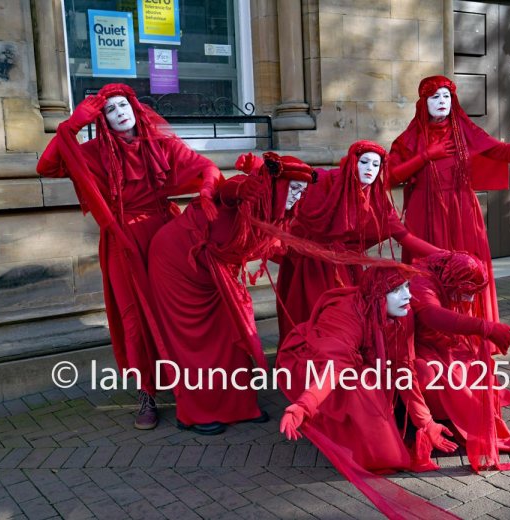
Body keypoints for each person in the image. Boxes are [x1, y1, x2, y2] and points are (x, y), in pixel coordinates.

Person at [36, 83, 222, 430]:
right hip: (123, 241)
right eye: (109, 109)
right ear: (101, 118)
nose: (119, 112)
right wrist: (71, 126)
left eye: (123, 105)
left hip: (167, 235)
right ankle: (146, 395)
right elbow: (45, 167)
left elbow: (204, 167)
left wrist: (210, 188)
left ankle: (190, 392)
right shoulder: (91, 152)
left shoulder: (161, 144)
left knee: (175, 313)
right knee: (134, 319)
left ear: (135, 109)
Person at [389, 75, 510, 355]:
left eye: (446, 97)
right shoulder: (410, 138)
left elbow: (506, 153)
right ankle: (432, 336)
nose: (441, 102)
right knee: (428, 270)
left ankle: (473, 335)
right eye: (434, 97)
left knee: (467, 270)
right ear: (423, 103)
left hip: (463, 213)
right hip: (423, 214)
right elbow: (391, 176)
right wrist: (426, 155)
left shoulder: (465, 131)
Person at [147, 152, 314, 435]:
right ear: (276, 185)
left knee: (230, 335)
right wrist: (247, 187)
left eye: (302, 191)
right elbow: (227, 192)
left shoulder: (276, 213)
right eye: (294, 189)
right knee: (194, 342)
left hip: (216, 273)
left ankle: (240, 407)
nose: (297, 197)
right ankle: (195, 413)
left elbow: (275, 248)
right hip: (177, 265)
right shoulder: (246, 190)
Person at [277, 265, 460, 520]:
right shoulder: (344, 315)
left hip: (363, 360)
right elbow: (334, 367)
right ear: (376, 295)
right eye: (396, 290)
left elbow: (403, 367)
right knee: (362, 387)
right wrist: (305, 405)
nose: (407, 296)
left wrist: (426, 423)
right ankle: (351, 432)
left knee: (422, 371)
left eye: (406, 287)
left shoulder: (403, 312)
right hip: (314, 363)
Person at [275, 140, 445, 343]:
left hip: (347, 265)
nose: (369, 169)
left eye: (376, 165)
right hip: (312, 265)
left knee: (349, 315)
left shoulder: (377, 200)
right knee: (315, 314)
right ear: (353, 162)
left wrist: (444, 256)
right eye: (364, 162)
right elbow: (288, 195)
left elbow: (405, 237)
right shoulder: (327, 181)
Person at [410, 251, 510, 472]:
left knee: (476, 366)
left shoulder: (446, 268)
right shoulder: (421, 283)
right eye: (465, 292)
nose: (470, 300)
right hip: (418, 345)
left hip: (442, 340)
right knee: (449, 376)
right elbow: (431, 314)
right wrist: (485, 328)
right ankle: (450, 421)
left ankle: (461, 420)